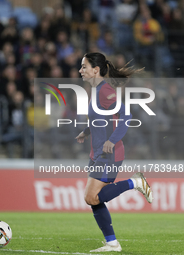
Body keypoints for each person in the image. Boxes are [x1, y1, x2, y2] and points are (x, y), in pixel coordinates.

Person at [75, 52, 153, 252]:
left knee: (91, 197)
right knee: (94, 199)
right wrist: (86, 132)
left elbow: (126, 115)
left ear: (96, 70)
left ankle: (135, 182)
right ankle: (111, 243)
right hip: (98, 153)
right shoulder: (96, 90)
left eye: (84, 67)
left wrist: (112, 140)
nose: (80, 70)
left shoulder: (104, 90)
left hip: (110, 154)